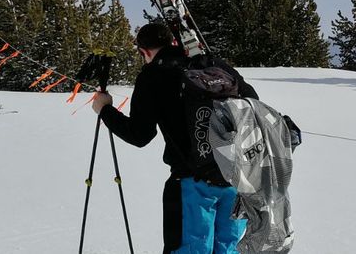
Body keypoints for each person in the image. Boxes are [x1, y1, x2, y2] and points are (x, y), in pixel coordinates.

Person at [92, 22, 258, 254]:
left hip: (191, 184)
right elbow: (253, 103)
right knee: (227, 249)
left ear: (144, 52)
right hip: (236, 181)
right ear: (173, 42)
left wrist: (105, 110)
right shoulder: (213, 65)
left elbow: (140, 135)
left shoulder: (152, 75)